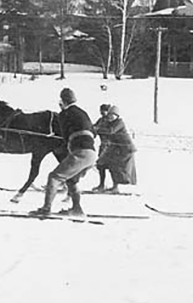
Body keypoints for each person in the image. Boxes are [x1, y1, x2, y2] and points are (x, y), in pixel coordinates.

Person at [31, 88, 97, 217]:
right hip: (92, 153)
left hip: (80, 152)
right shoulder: (83, 112)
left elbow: (64, 136)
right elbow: (94, 132)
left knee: (54, 177)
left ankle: (46, 208)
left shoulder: (64, 114)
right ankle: (77, 209)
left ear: (63, 101)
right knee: (71, 180)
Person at [93, 105, 137, 193]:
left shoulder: (119, 122)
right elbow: (96, 127)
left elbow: (110, 131)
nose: (110, 117)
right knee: (101, 163)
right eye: (109, 115)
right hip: (114, 148)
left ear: (117, 116)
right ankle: (102, 185)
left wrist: (97, 129)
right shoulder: (106, 121)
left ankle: (115, 187)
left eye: (112, 115)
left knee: (114, 165)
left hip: (125, 149)